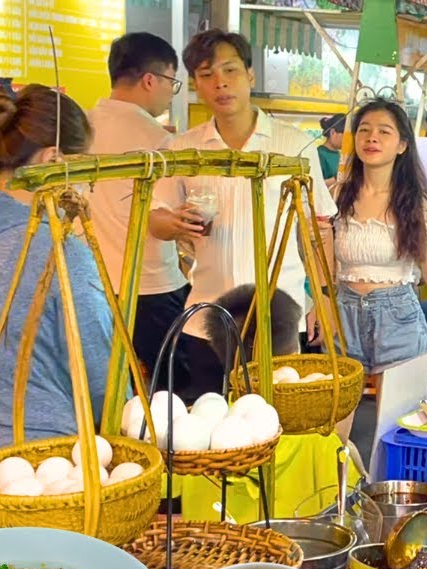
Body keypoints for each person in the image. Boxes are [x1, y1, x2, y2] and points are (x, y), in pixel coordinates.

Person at [0, 85, 110, 525]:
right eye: (81, 165)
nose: (84, 182)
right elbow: (100, 368)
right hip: (42, 471)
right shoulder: (60, 249)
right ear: (52, 160)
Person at [149, 30, 336, 401]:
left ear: (250, 75)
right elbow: (155, 219)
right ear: (196, 85)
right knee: (213, 430)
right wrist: (174, 224)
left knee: (276, 426)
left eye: (230, 70)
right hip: (207, 318)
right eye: (206, 75)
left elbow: (318, 230)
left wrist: (323, 303)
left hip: (278, 318)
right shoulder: (182, 148)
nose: (220, 83)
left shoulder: (293, 144)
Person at [331, 100, 427, 375]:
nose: (372, 138)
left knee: (397, 417)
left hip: (399, 320)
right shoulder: (338, 195)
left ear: (402, 145)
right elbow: (323, 262)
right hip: (343, 318)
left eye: (384, 131)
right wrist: (319, 307)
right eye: (364, 130)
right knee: (338, 413)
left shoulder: (415, 203)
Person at [87, 32, 186, 387]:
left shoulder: (78, 130)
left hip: (92, 284)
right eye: (171, 82)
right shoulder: (160, 140)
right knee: (171, 391)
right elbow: (172, 218)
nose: (168, 92)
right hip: (151, 285)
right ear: (150, 79)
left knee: (110, 387)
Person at [316, 113, 346, 190]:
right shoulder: (319, 154)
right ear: (333, 132)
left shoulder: (339, 154)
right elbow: (315, 185)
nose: (347, 141)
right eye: (345, 136)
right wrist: (336, 178)